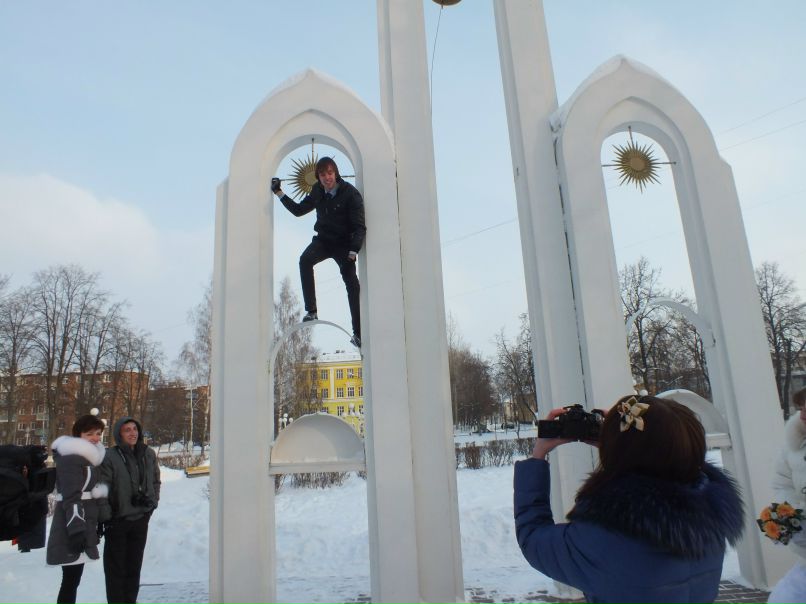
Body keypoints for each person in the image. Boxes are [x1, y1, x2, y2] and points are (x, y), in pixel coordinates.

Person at [514, 395, 744, 604]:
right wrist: (625, 444)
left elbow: (533, 537)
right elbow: (674, 465)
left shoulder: (603, 538)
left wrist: (538, 456)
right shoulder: (710, 520)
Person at [272, 156, 366, 348]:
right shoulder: (317, 190)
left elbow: (360, 227)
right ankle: (312, 310)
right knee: (305, 260)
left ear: (336, 173)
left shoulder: (350, 194)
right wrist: (279, 192)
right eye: (322, 175)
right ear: (318, 177)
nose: (326, 178)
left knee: (351, 283)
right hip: (323, 240)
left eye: (329, 173)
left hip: (344, 245)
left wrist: (353, 250)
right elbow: (299, 210)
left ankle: (358, 333)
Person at [46, 414, 108, 604]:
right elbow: (72, 497)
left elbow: (91, 492)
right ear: (78, 435)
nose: (95, 438)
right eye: (89, 434)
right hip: (71, 524)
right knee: (70, 578)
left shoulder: (89, 458)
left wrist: (96, 522)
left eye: (98, 433)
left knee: (74, 577)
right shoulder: (71, 458)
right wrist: (76, 531)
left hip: (84, 521)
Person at [99, 417, 160, 604]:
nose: (132, 433)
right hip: (118, 521)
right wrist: (107, 518)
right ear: (119, 434)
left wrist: (152, 504)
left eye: (135, 429)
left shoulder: (148, 453)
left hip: (140, 519)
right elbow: (103, 488)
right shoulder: (110, 456)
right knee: (116, 569)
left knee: (134, 567)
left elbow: (156, 480)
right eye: (127, 430)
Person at [768, 387, 806, 604]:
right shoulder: (793, 444)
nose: (802, 415)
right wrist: (792, 514)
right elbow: (782, 483)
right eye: (801, 408)